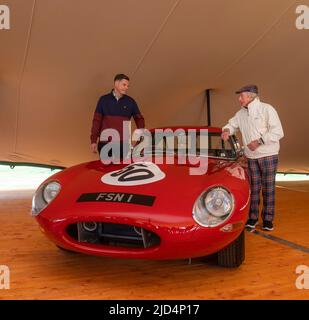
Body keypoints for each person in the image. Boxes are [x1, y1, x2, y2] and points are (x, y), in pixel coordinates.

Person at [221, 84, 284, 231]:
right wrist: (226, 130)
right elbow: (232, 124)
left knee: (268, 189)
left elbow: (278, 132)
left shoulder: (267, 109)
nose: (239, 99)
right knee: (253, 189)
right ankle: (253, 218)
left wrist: (260, 141)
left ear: (250, 96)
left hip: (268, 155)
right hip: (251, 157)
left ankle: (268, 220)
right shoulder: (240, 114)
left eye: (241, 96)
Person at [90, 74, 145, 161]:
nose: (126, 87)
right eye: (124, 84)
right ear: (116, 83)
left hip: (124, 146)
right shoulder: (103, 100)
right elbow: (97, 121)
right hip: (105, 144)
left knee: (123, 172)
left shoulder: (131, 102)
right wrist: (93, 140)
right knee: (106, 173)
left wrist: (138, 136)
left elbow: (140, 119)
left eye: (128, 86)